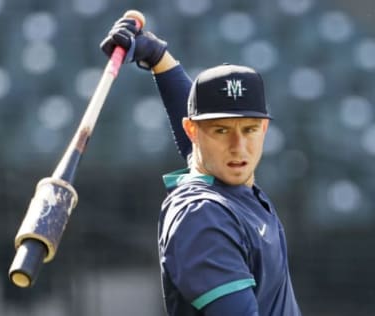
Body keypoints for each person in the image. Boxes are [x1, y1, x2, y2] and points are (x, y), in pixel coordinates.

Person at [100, 16, 302, 316]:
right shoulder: (201, 217)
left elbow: (201, 145)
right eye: (221, 131)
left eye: (248, 130)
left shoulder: (228, 188)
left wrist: (158, 58)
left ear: (264, 129)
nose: (238, 146)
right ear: (193, 132)